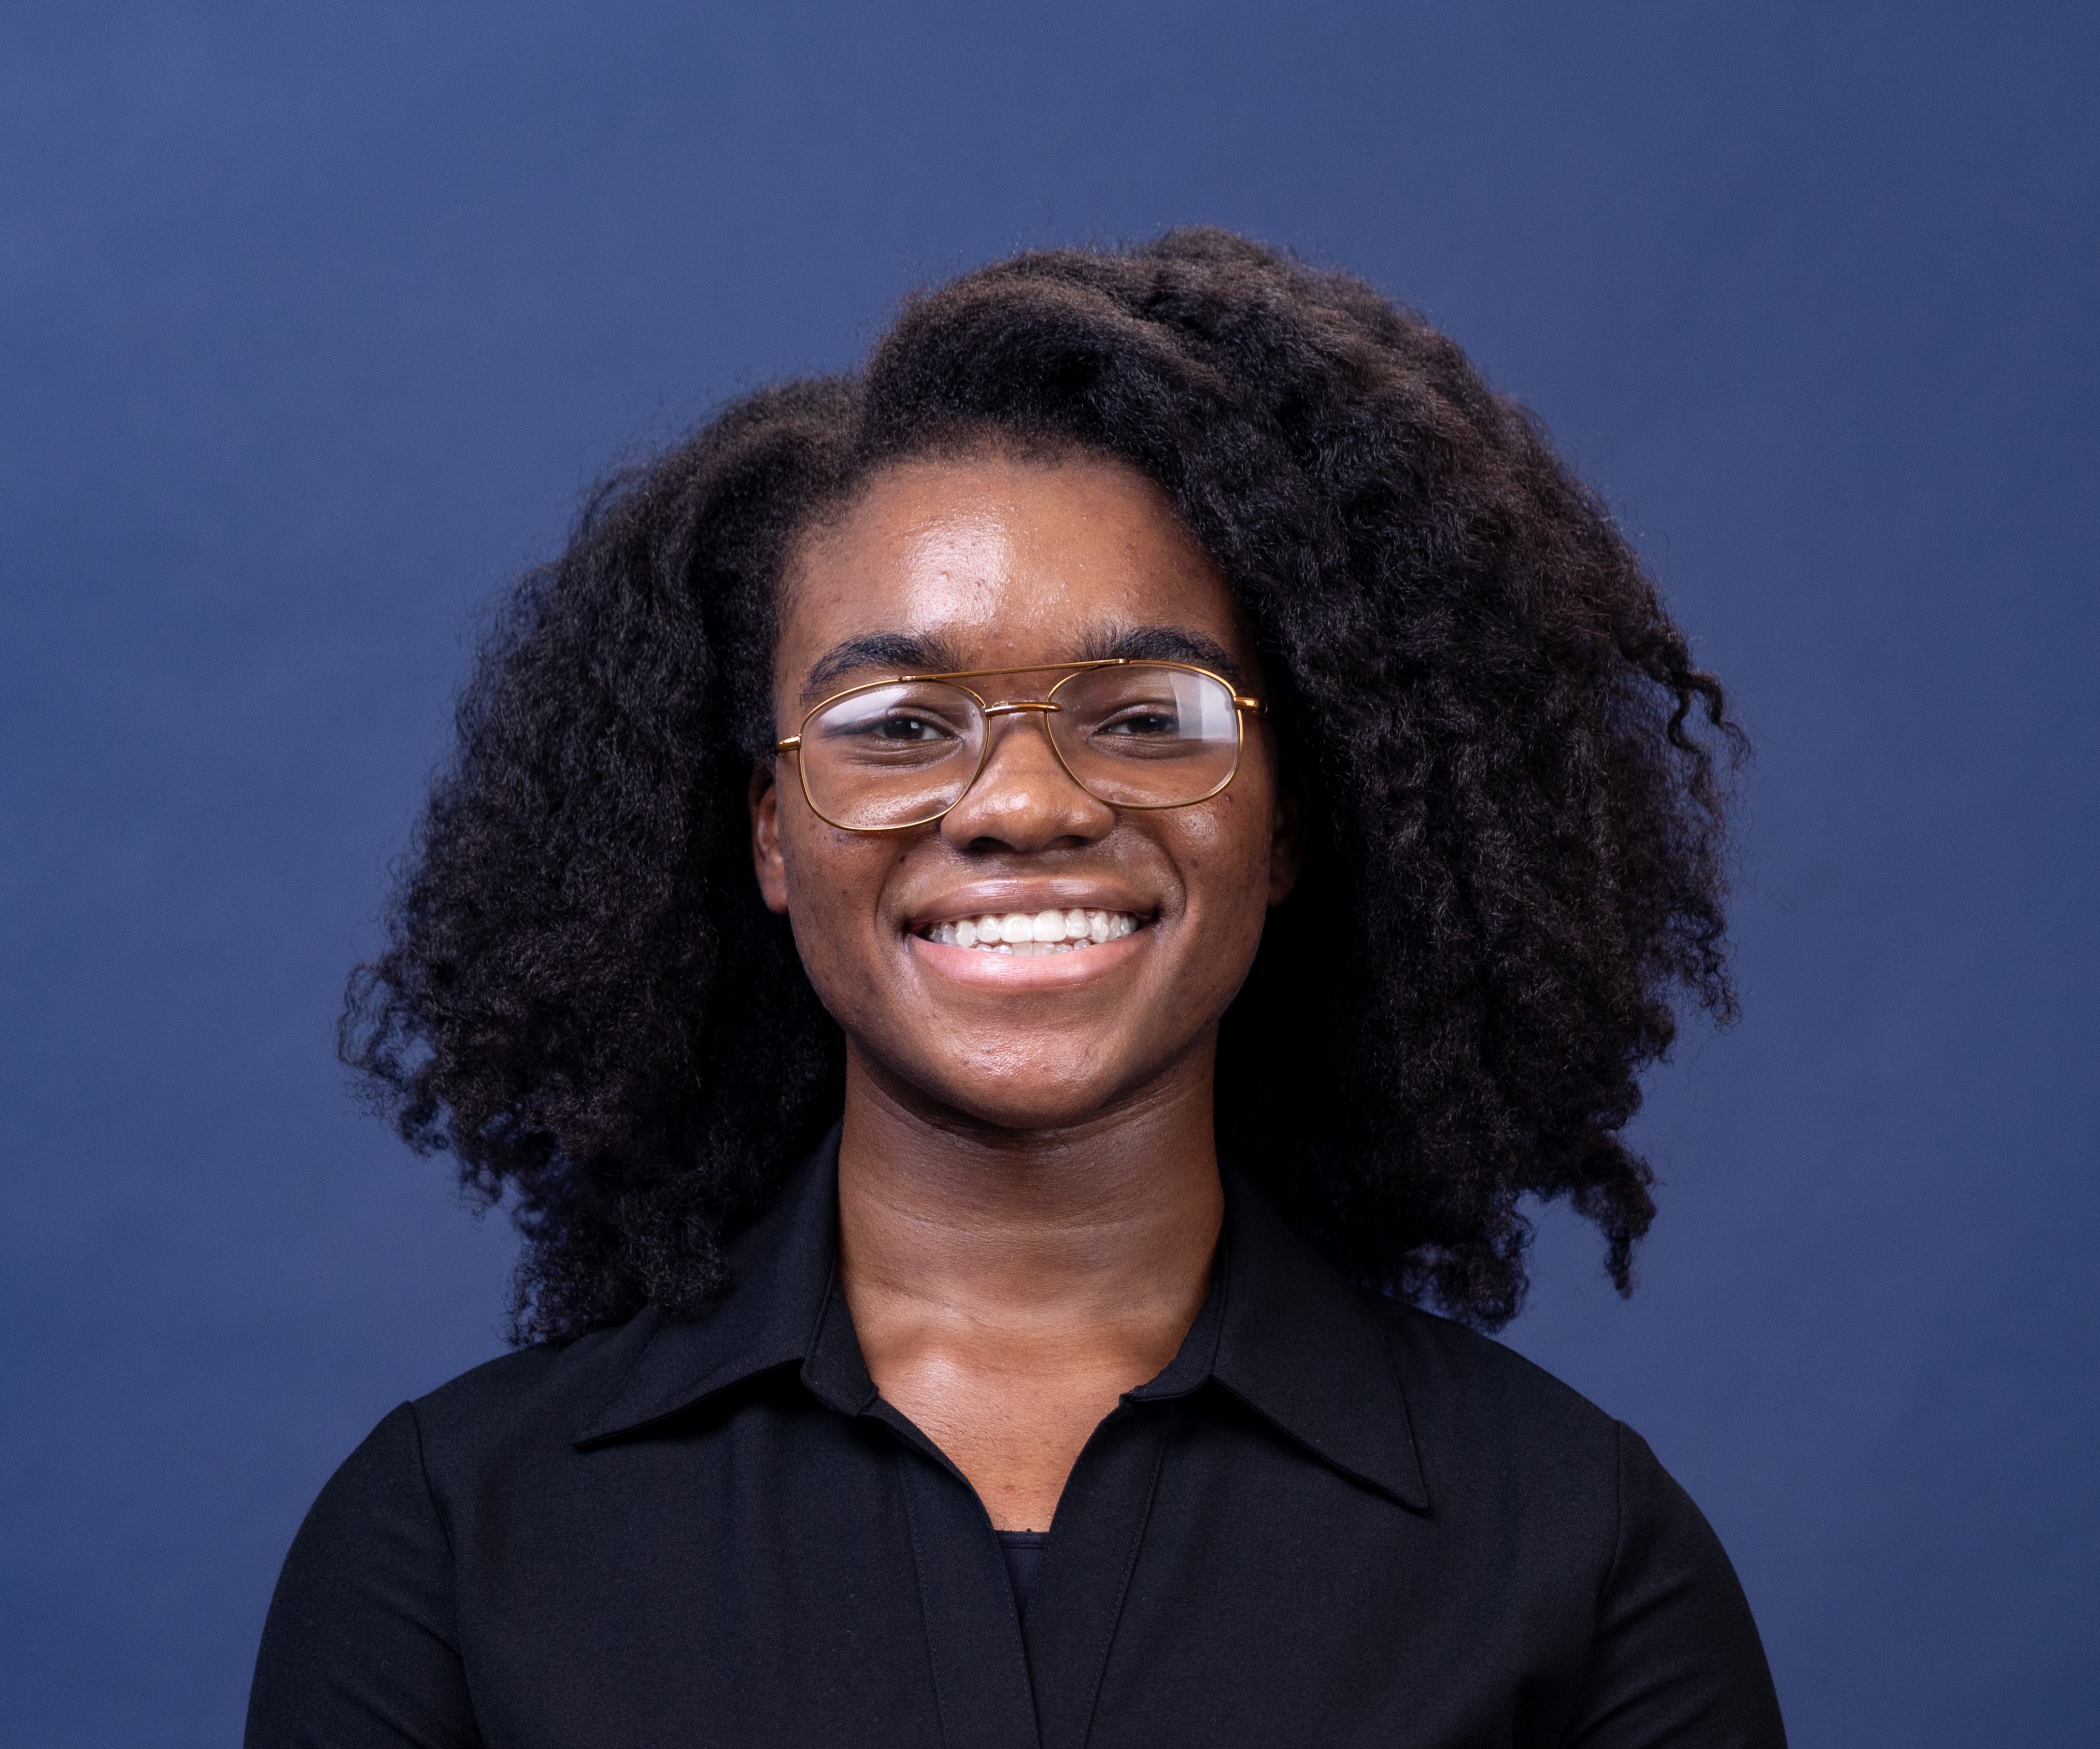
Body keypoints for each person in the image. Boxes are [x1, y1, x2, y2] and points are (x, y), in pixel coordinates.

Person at [247, 229, 1785, 1746]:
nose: (1025, 802)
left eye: (1143, 714)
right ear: (768, 837)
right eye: (900, 722)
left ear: (1291, 822)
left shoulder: (1576, 1553)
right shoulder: (454, 1542)